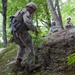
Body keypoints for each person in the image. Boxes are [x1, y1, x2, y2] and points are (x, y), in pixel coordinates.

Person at [9, 2, 39, 69]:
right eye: (33, 10)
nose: (33, 12)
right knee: (30, 48)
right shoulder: (26, 12)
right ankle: (32, 65)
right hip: (22, 32)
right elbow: (26, 21)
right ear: (30, 7)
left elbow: (14, 23)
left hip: (15, 33)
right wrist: (34, 29)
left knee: (22, 46)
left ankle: (18, 60)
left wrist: (13, 36)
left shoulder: (19, 12)